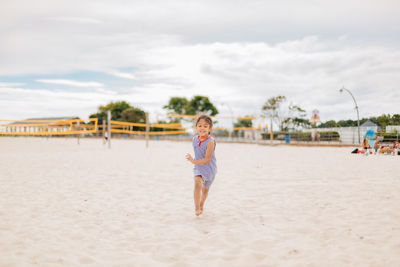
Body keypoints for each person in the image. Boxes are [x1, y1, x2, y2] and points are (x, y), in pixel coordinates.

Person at [186, 115, 217, 216]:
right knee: (197, 183)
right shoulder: (195, 139)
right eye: (199, 125)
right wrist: (194, 162)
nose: (202, 128)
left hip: (210, 170)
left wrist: (193, 161)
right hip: (199, 168)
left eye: (205, 126)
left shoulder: (211, 142)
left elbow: (207, 159)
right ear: (196, 127)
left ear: (210, 129)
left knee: (205, 191)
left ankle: (201, 204)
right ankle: (197, 207)